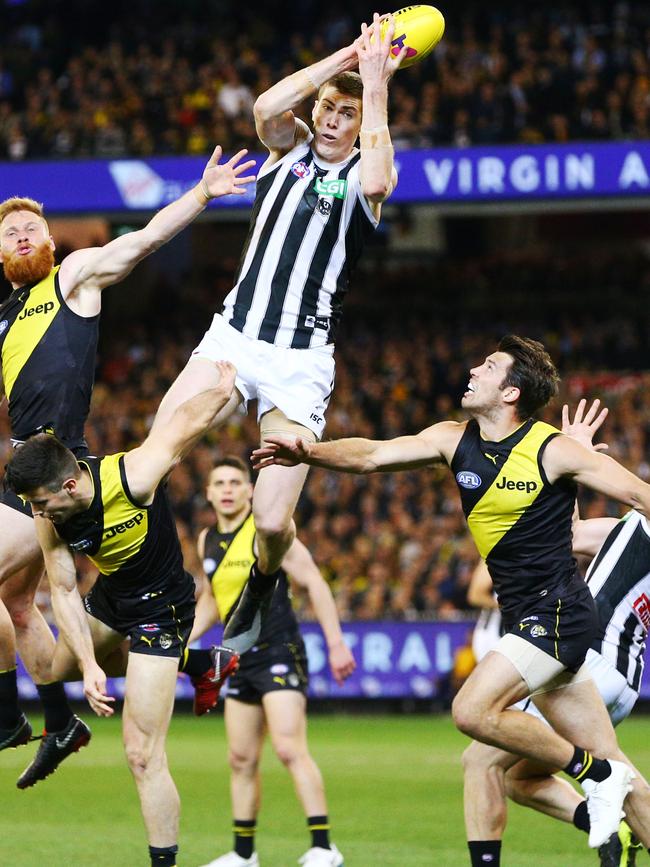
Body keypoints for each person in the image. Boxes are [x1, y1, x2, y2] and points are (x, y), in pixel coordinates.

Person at [252, 335, 650, 863]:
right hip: (530, 621)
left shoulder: (553, 449)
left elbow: (642, 498)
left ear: (510, 392)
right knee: (617, 764)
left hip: (558, 615)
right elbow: (372, 456)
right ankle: (606, 776)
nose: (472, 370)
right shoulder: (450, 439)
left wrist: (577, 457)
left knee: (470, 710)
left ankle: (594, 777)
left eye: (488, 366)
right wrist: (310, 451)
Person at [150, 13, 405, 655]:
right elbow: (266, 106)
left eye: (345, 115)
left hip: (300, 360)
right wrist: (345, 55)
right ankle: (148, 587)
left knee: (270, 520)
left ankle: (263, 583)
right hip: (234, 336)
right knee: (158, 443)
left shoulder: (359, 180)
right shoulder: (285, 149)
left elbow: (377, 178)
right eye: (326, 108)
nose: (330, 119)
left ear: (361, 122)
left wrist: (373, 85)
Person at [0, 145, 255, 785]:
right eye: (9, 231)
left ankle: (13, 719)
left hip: (59, 469)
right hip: (23, 471)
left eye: (32, 227)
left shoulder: (73, 278)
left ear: (52, 243)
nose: (22, 233)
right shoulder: (3, 316)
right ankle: (181, 673)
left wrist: (202, 194)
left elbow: (141, 241)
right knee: (16, 600)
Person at [3, 360, 239, 867]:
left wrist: (223, 388)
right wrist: (88, 665)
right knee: (54, 669)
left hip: (163, 607)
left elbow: (183, 425)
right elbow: (64, 592)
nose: (36, 514)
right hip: (113, 599)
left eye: (40, 502)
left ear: (69, 486)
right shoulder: (51, 521)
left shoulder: (134, 476)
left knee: (140, 753)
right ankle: (202, 665)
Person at [461, 400, 649, 866]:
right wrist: (568, 469)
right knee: (522, 778)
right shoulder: (632, 531)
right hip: (624, 678)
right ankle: (612, 828)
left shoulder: (638, 525)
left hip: (585, 654)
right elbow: (567, 533)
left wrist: (574, 457)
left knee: (480, 760)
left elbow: (578, 530)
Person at [190, 456, 355, 867]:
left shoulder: (269, 530)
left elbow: (314, 580)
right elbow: (213, 598)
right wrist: (182, 638)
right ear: (208, 493)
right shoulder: (206, 539)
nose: (227, 489)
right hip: (238, 657)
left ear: (250, 490)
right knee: (240, 758)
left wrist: (336, 643)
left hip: (279, 648)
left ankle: (323, 847)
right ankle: (243, 854)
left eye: (235, 482)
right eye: (219, 483)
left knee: (287, 748)